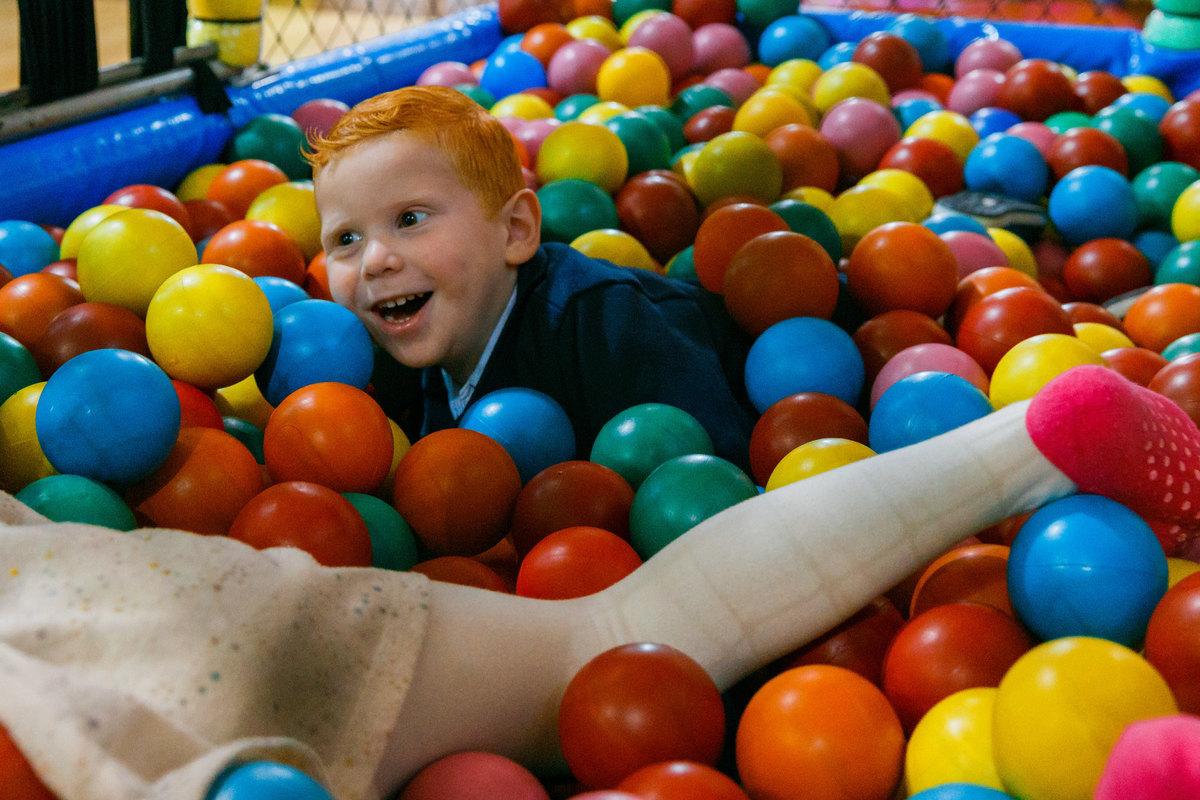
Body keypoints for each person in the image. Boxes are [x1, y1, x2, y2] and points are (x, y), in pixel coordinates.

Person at [1, 361, 1199, 799]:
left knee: (621, 639)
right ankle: (1022, 442)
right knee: (626, 627)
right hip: (132, 598)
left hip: (106, 698)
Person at [309, 85, 759, 470]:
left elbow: (713, 477)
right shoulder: (414, 332)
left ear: (515, 230)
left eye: (409, 219)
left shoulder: (607, 321)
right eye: (347, 237)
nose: (374, 261)